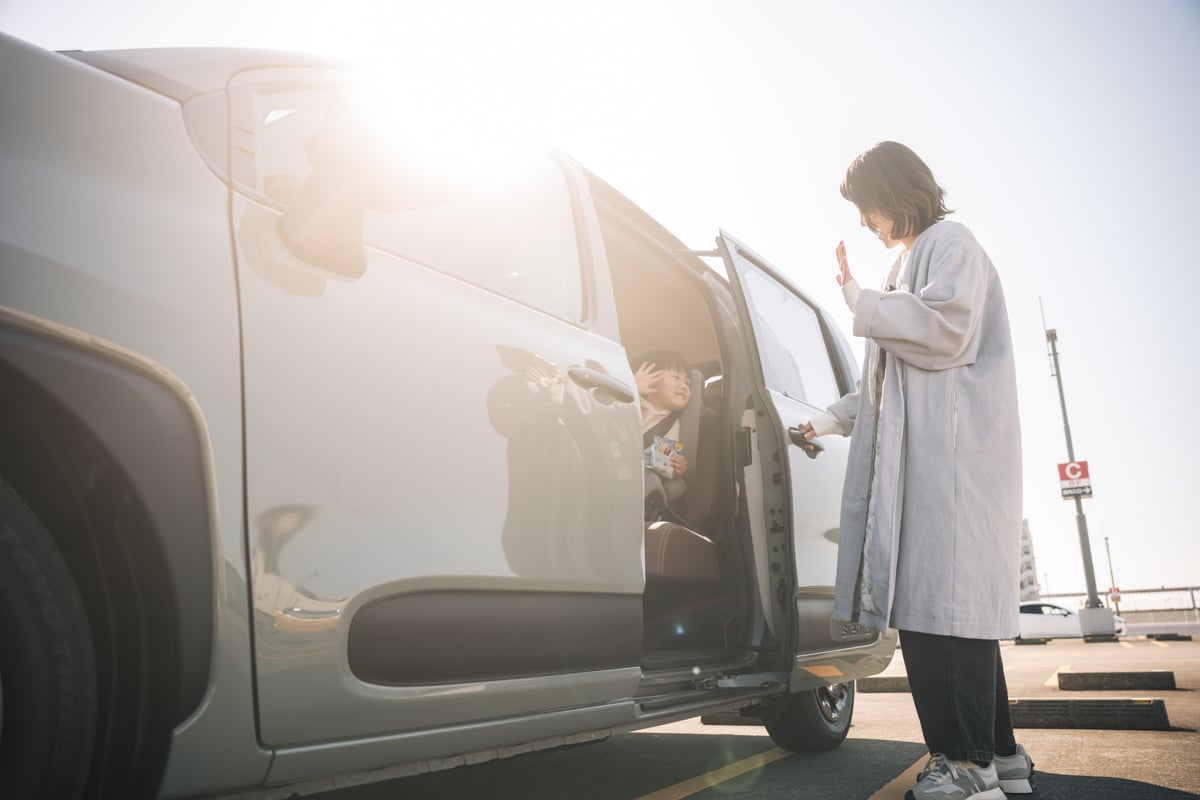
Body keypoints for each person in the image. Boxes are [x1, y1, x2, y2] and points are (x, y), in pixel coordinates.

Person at [801, 142, 1034, 800]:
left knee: (940, 619)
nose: (864, 222)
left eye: (867, 207)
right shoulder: (915, 259)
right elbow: (891, 379)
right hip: (938, 464)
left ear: (896, 193)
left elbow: (944, 332)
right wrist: (830, 419)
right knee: (956, 619)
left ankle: (965, 767)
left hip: (950, 467)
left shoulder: (950, 242)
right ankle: (1001, 760)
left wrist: (858, 297)